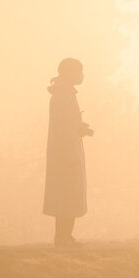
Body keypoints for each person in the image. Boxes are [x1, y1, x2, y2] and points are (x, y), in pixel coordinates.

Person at [43, 57, 92, 248]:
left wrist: (80, 128)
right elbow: (63, 128)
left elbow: (67, 124)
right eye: (79, 71)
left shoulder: (64, 94)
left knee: (67, 195)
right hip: (66, 154)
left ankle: (65, 237)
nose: (82, 75)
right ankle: (63, 238)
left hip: (66, 151)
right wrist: (70, 153)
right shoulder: (63, 95)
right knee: (67, 196)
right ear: (70, 73)